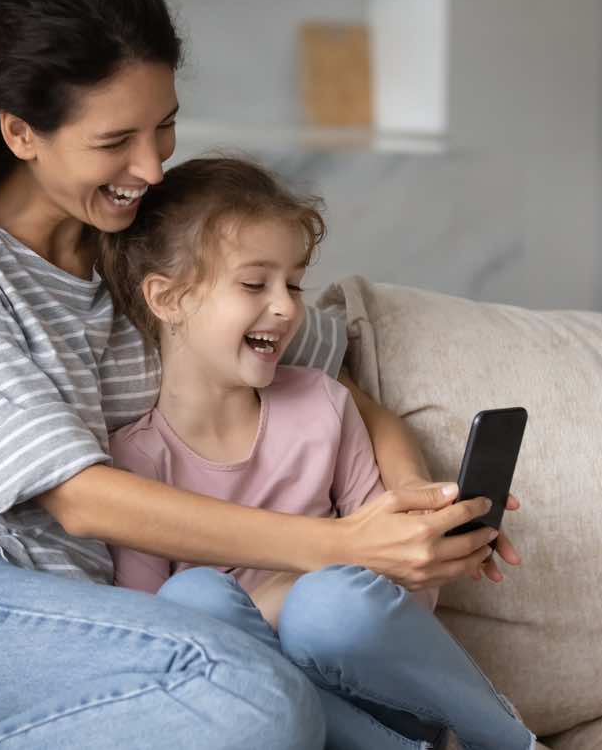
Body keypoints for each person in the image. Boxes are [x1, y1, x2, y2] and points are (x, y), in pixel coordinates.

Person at [0, 0, 520, 750]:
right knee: (255, 697)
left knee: (258, 695)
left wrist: (419, 512)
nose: (151, 166)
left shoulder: (146, 260)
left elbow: (340, 386)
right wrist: (343, 545)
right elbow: (75, 496)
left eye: (165, 126)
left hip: (102, 617)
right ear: (21, 132)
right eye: (117, 140)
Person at [99, 157, 533, 750]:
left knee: (327, 606)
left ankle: (513, 741)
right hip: (280, 718)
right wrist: (284, 595)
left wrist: (431, 530)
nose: (285, 307)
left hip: (379, 684)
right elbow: (155, 652)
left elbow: (407, 586)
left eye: (294, 284)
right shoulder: (136, 464)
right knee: (191, 602)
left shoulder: (323, 406)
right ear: (168, 298)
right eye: (255, 284)